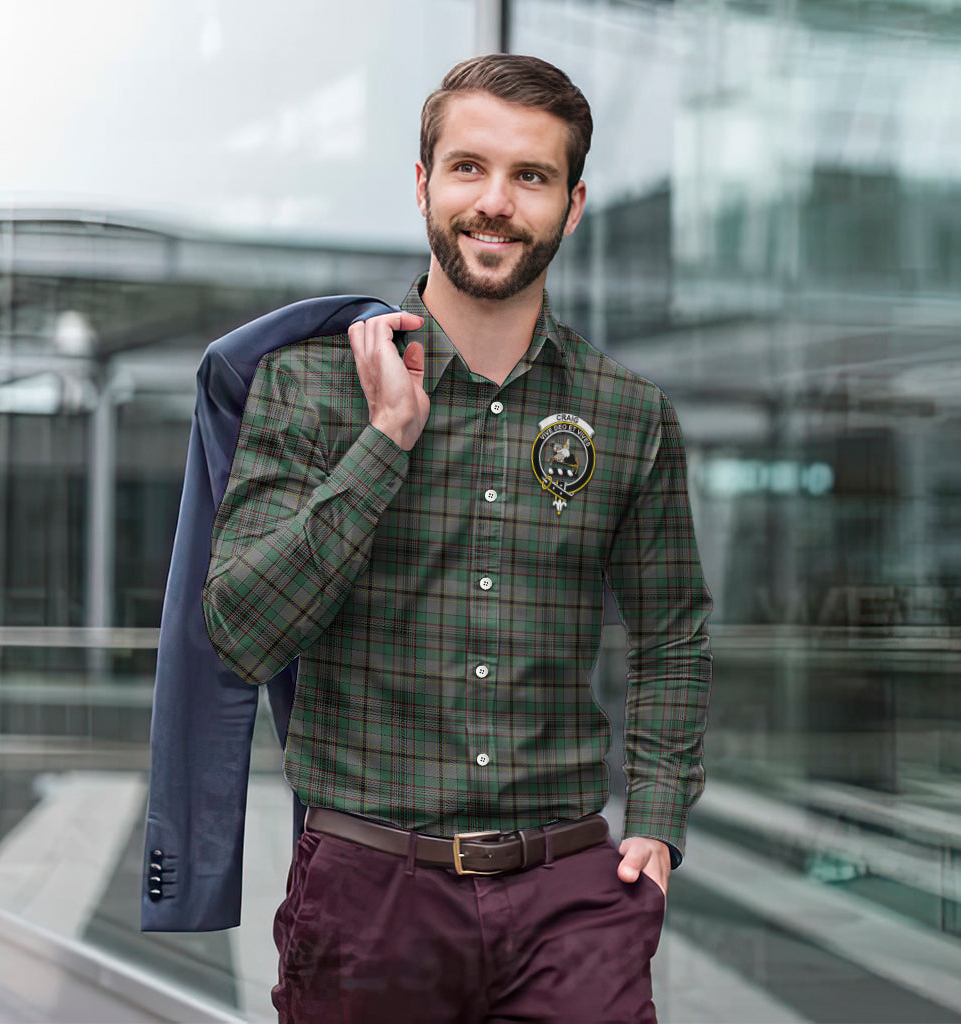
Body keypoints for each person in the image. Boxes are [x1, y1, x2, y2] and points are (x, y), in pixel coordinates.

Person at [202, 53, 712, 1024]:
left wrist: (654, 815)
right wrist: (387, 437)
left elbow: (672, 632)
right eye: (470, 167)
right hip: (369, 896)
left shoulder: (629, 413)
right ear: (424, 182)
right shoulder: (308, 388)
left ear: (573, 203)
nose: (496, 202)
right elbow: (240, 632)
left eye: (532, 176)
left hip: (571, 896)